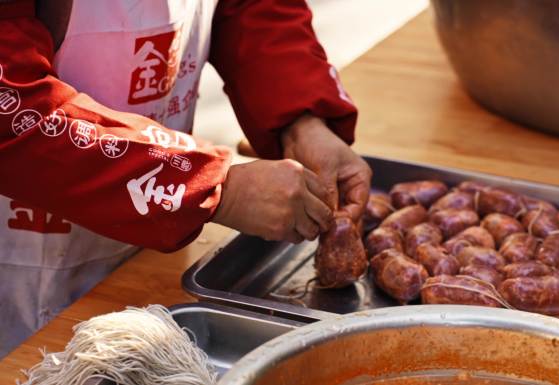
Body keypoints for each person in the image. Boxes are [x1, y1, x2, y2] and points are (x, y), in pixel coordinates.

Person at [0, 0, 371, 358]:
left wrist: (300, 120)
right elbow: (12, 107)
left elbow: (250, 7)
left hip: (145, 251)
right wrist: (213, 187)